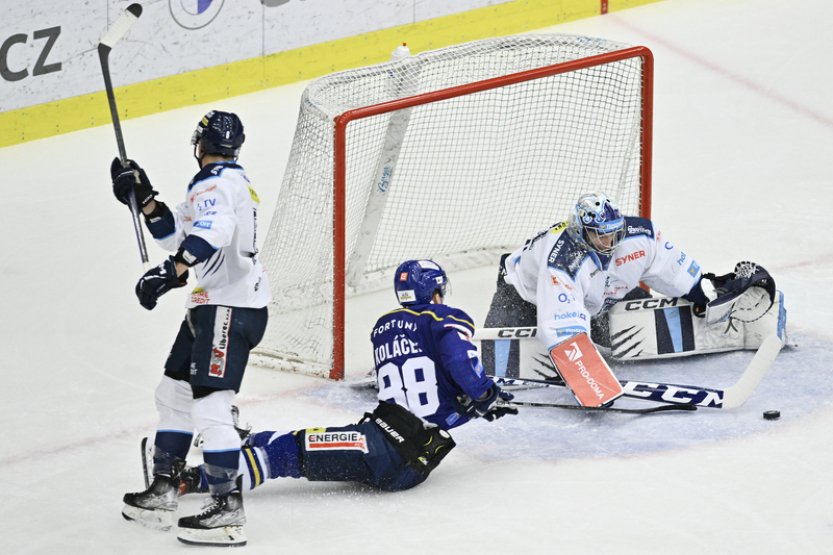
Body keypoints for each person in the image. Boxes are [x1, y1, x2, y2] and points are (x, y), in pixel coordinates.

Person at [165, 259, 517, 501]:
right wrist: (484, 397)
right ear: (435, 291)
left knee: (291, 451)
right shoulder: (445, 316)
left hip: (387, 448)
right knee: (302, 443)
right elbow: (456, 365)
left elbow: (424, 389)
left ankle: (197, 478)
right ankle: (240, 441)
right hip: (399, 453)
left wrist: (478, 400)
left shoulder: (383, 327)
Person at [112, 110, 271, 547]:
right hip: (212, 305)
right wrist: (146, 200)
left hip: (228, 308)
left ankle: (226, 509)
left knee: (211, 409)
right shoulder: (224, 182)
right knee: (173, 395)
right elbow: (175, 232)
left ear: (200, 143)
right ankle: (164, 489)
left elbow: (212, 231)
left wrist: (172, 270)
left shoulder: (214, 183)